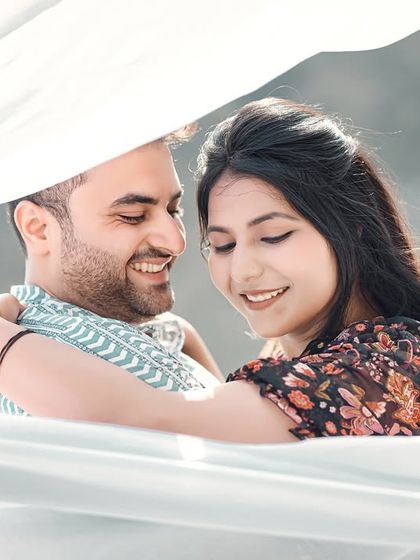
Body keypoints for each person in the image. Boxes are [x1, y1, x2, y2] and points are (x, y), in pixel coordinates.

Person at [0, 98, 419, 443]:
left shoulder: (387, 366)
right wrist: (180, 340)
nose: (244, 271)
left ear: (353, 228)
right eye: (222, 245)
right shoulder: (296, 361)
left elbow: (145, 424)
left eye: (273, 236)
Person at [1, 130, 222, 415]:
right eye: (132, 216)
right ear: (38, 228)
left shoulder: (161, 334)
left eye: (173, 210)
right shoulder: (67, 358)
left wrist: (184, 338)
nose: (176, 242)